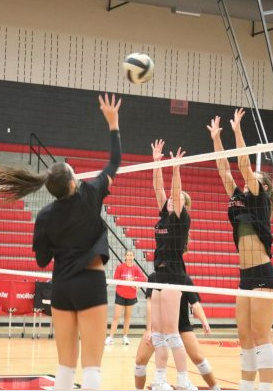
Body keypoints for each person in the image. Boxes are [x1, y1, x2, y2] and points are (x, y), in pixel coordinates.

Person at [0, 93, 122, 390]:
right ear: (72, 182)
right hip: (90, 284)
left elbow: (42, 260)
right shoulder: (90, 195)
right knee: (92, 364)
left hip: (62, 287)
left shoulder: (44, 215)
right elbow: (115, 161)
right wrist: (113, 124)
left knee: (65, 365)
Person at [207, 109, 273, 391]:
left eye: (255, 177)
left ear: (263, 186)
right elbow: (223, 169)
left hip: (264, 274)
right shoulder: (238, 197)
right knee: (244, 337)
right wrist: (217, 139)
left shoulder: (259, 197)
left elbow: (242, 165)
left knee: (260, 335)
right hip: (245, 277)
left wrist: (238, 131)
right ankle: (245, 387)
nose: (248, 179)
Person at [149, 139, 196, 391]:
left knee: (170, 332)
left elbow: (175, 195)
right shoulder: (164, 215)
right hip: (158, 275)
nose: (168, 200)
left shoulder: (180, 219)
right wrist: (157, 163)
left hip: (174, 276)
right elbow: (159, 190)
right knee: (157, 333)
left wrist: (176, 168)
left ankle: (182, 381)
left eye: (174, 200)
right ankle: (159, 380)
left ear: (181, 206)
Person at [135, 273, 221, 391]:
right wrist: (148, 329)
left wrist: (204, 321)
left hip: (181, 325)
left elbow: (195, 303)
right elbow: (150, 302)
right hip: (158, 326)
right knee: (140, 359)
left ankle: (215, 388)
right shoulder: (154, 277)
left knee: (198, 357)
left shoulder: (183, 278)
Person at [105, 250, 147, 346]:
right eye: (128, 255)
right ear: (125, 257)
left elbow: (144, 279)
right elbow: (115, 279)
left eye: (131, 255)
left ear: (133, 257)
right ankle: (111, 337)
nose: (129, 256)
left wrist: (134, 279)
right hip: (120, 294)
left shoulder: (136, 269)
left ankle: (125, 337)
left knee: (127, 317)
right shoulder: (120, 267)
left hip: (131, 295)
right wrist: (126, 280)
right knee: (116, 317)